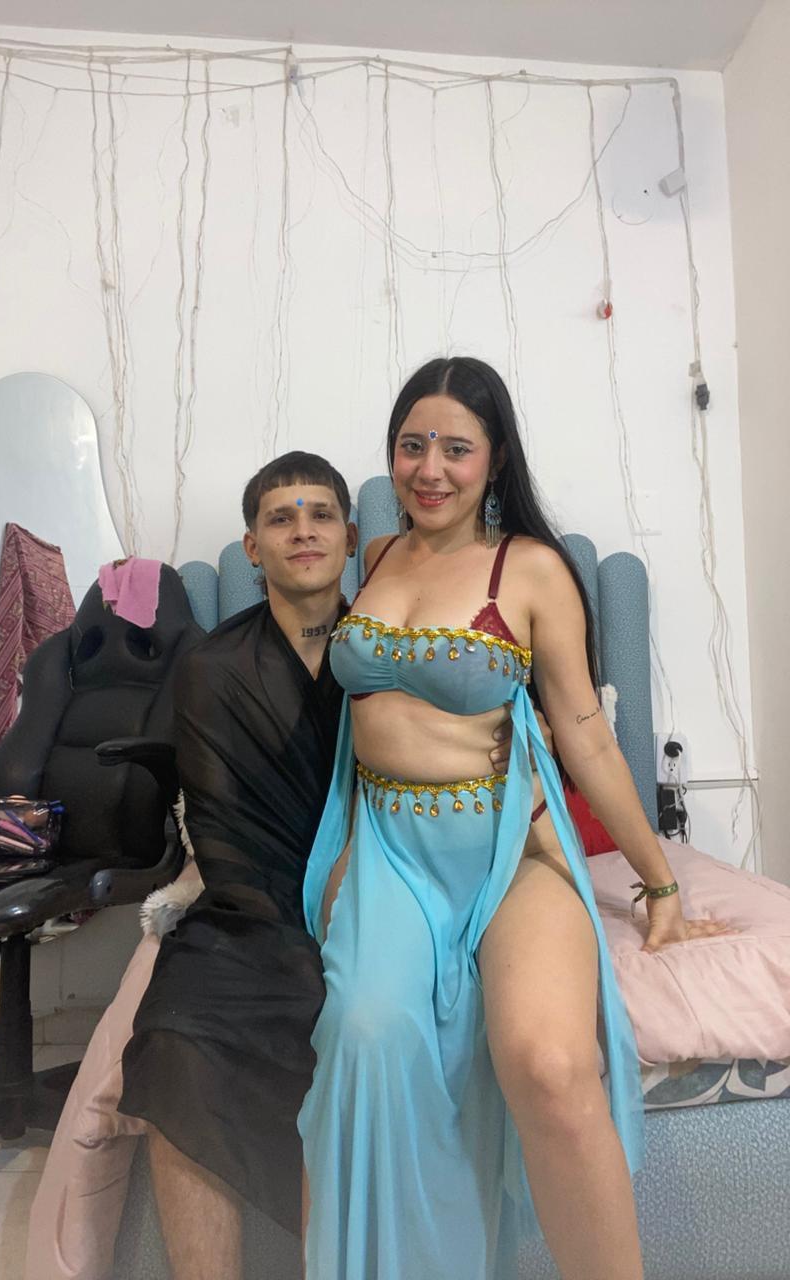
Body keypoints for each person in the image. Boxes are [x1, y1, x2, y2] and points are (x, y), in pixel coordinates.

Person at [25, 451, 528, 1280]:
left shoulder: (396, 655)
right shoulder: (211, 667)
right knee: (175, 1035)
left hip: (383, 901)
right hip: (250, 910)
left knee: (362, 1028)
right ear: (253, 547)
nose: (303, 531)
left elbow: (445, 788)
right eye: (281, 518)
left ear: (352, 538)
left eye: (321, 514)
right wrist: (290, 927)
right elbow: (222, 830)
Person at [298, 357, 730, 1280]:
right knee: (366, 1037)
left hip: (505, 852)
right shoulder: (373, 559)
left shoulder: (530, 569)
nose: (431, 469)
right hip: (389, 856)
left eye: (456, 448)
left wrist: (660, 886)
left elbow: (586, 737)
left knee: (548, 1065)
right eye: (412, 445)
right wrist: (339, 852)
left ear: (495, 459)